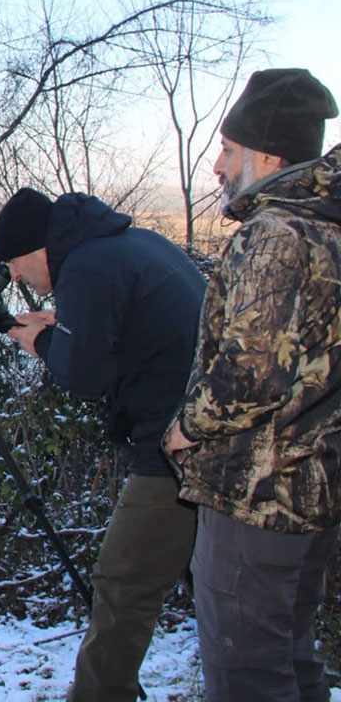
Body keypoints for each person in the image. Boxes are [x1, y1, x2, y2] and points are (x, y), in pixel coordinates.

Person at [162, 68, 341, 701]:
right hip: (315, 487)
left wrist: (187, 428)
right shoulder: (329, 227)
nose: (217, 164)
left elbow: (251, 373)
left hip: (257, 492)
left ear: (267, 154)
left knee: (247, 674)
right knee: (291, 658)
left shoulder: (275, 234)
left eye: (229, 149)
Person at [0, 186, 206, 702]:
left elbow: (85, 373)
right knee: (222, 584)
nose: (16, 277)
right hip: (211, 435)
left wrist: (37, 339)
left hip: (173, 447)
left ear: (37, 248)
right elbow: (122, 335)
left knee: (123, 582)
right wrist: (61, 326)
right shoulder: (134, 242)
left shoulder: (86, 265)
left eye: (15, 263)